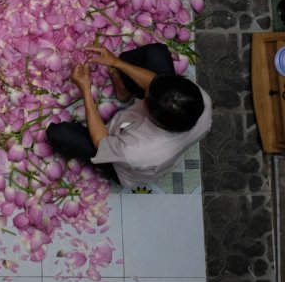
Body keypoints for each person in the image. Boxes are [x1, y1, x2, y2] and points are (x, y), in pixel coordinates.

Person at [46, 44, 212, 188]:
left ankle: (123, 93)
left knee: (60, 135)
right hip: (153, 119)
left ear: (153, 118)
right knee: (157, 53)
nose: (145, 91)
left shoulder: (138, 151)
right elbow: (154, 83)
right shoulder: (199, 100)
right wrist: (115, 62)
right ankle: (123, 91)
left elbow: (101, 142)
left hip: (121, 162)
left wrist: (86, 91)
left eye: (146, 98)